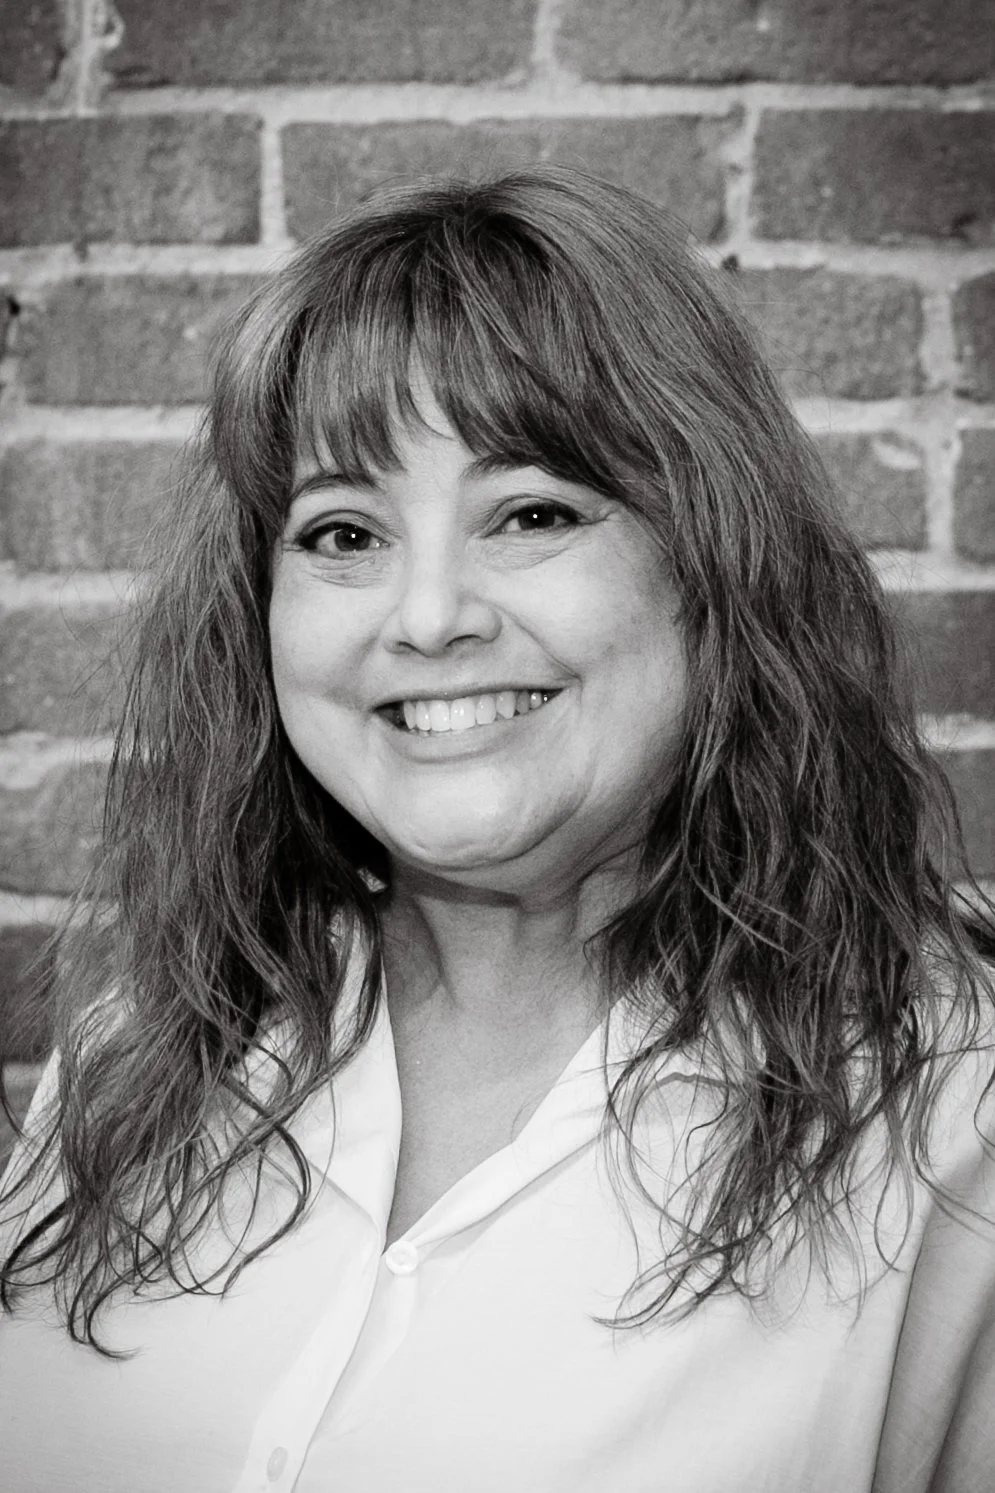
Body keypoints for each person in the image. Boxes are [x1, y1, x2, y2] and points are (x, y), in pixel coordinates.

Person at [1, 167, 993, 1493]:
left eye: (531, 514)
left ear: (714, 566)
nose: (427, 617)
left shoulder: (950, 1112)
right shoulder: (139, 1053)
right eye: (342, 532)